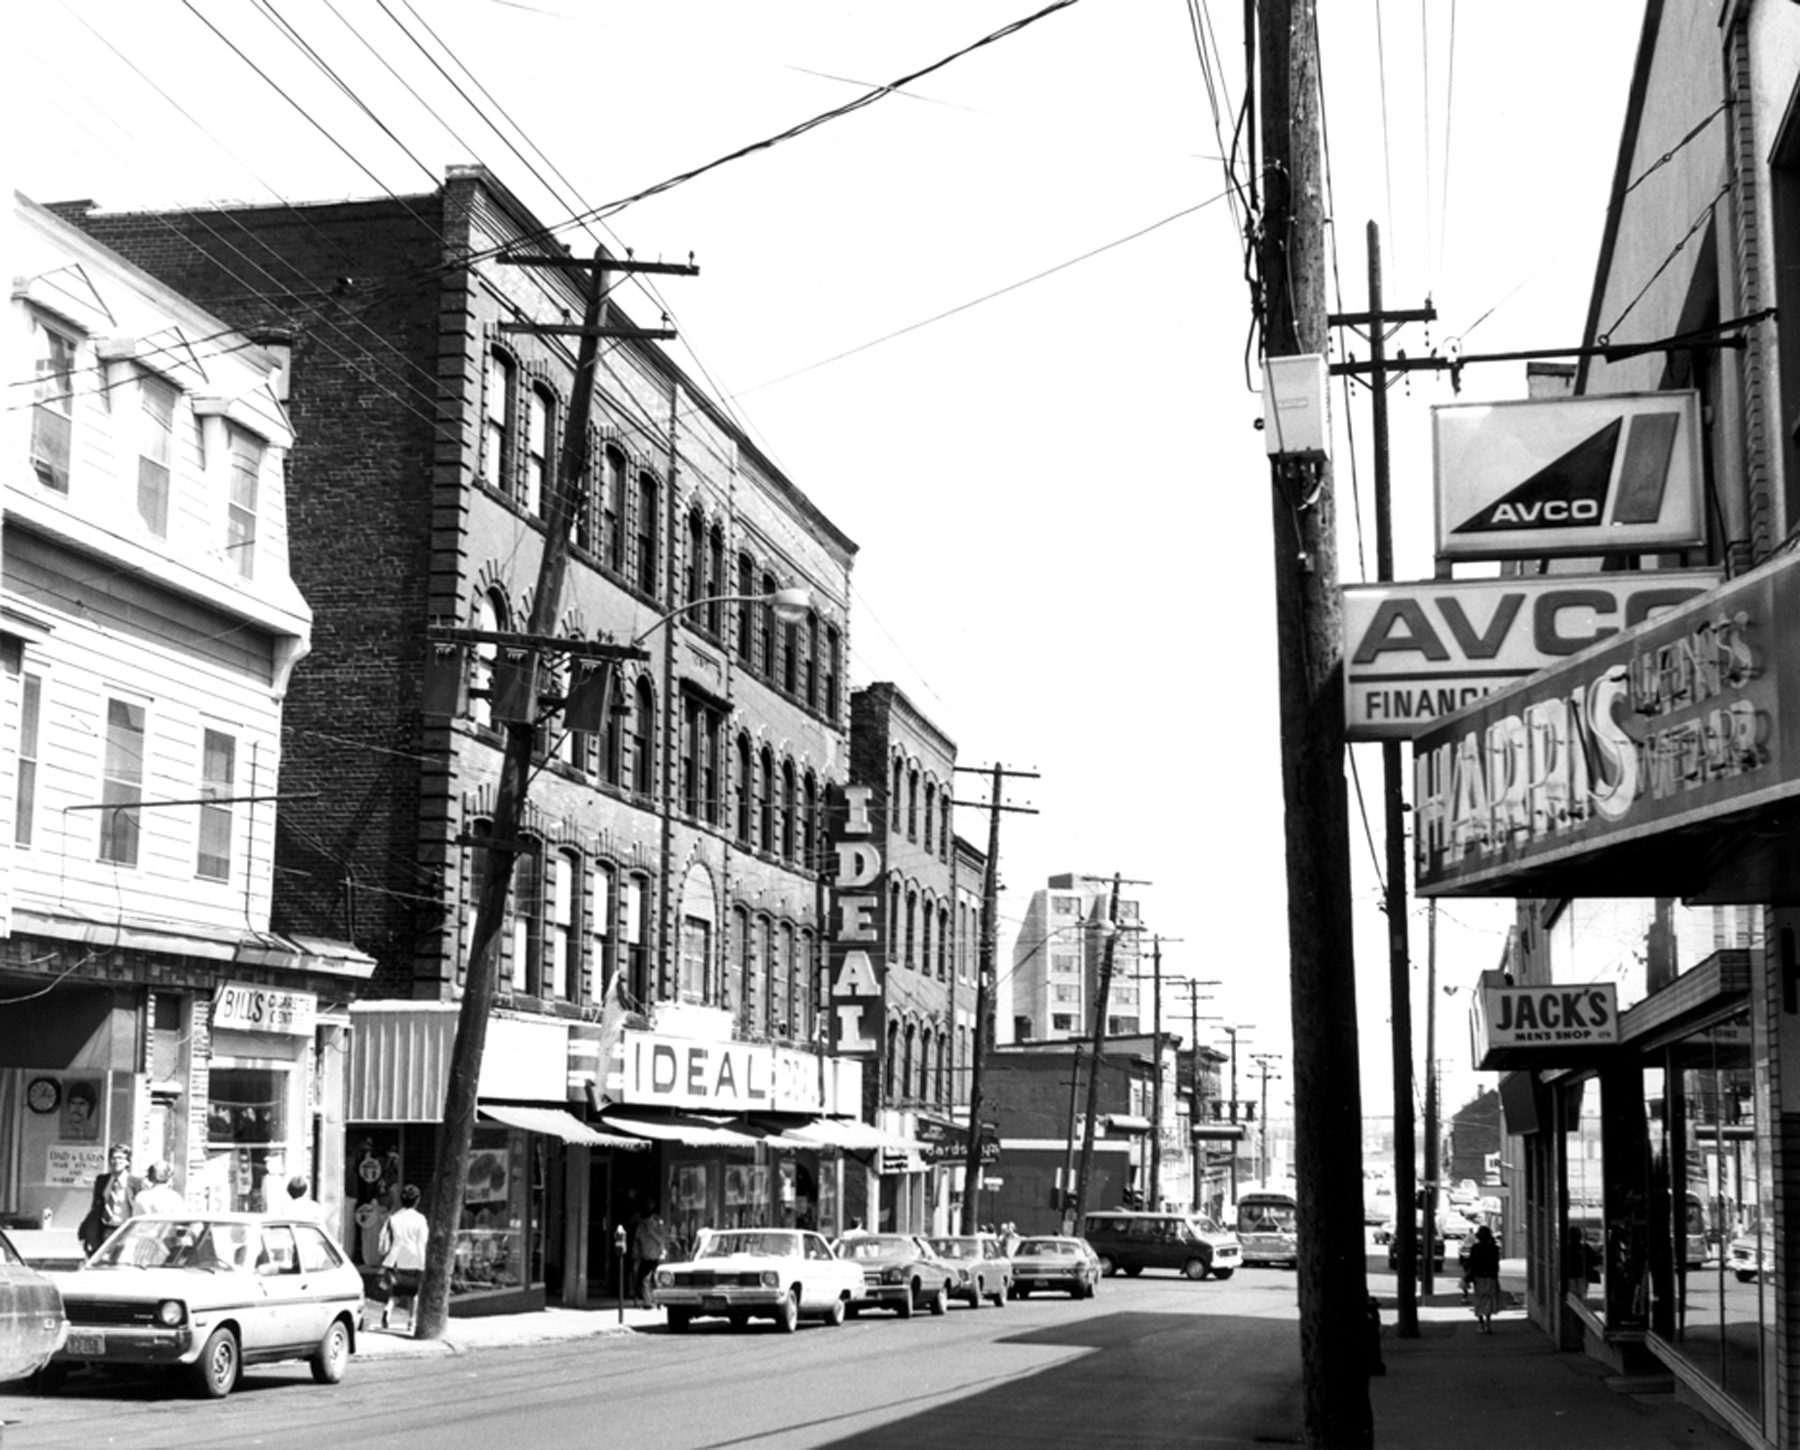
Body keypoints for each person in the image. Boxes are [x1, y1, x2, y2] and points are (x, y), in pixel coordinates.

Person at [379, 1184, 429, 1334]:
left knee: (397, 1290)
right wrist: (423, 1263)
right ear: (417, 1200)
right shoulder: (420, 1219)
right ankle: (411, 1322)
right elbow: (423, 1241)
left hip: (396, 1257)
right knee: (413, 1292)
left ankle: (388, 1308)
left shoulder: (394, 1218)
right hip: (414, 1257)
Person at [81, 1143, 142, 1254]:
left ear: (128, 1161)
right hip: (107, 1230)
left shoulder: (136, 1183)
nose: (116, 1161)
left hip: (127, 1230)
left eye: (121, 1158)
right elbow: (96, 1207)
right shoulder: (102, 1180)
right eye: (113, 1158)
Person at [1465, 1224, 1502, 1334]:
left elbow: (1472, 1263)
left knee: (1480, 1300)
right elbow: (1496, 1264)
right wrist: (1495, 1276)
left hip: (1479, 1277)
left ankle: (1481, 1323)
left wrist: (1469, 1276)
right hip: (1490, 1277)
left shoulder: (1476, 1248)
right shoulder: (1494, 1249)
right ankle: (1488, 1322)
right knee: (1489, 1300)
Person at [634, 1201, 670, 1309]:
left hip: (656, 1257)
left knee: (657, 1280)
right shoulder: (641, 1226)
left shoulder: (659, 1224)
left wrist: (652, 1232)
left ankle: (659, 1302)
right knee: (645, 1280)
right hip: (645, 1257)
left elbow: (662, 1240)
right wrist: (635, 1256)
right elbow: (637, 1241)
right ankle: (648, 1302)